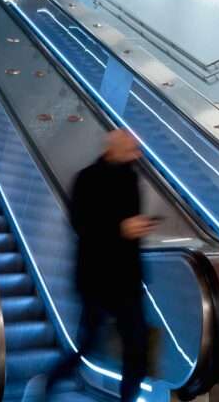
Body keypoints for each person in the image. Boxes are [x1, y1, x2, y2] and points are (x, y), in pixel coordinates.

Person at [46, 129, 155, 401]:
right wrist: (121, 229)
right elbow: (82, 224)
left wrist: (137, 227)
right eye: (130, 148)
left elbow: (128, 226)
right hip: (96, 279)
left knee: (137, 348)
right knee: (88, 344)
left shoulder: (131, 177)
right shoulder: (87, 178)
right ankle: (52, 380)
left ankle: (128, 398)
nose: (136, 153)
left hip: (127, 279)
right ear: (112, 148)